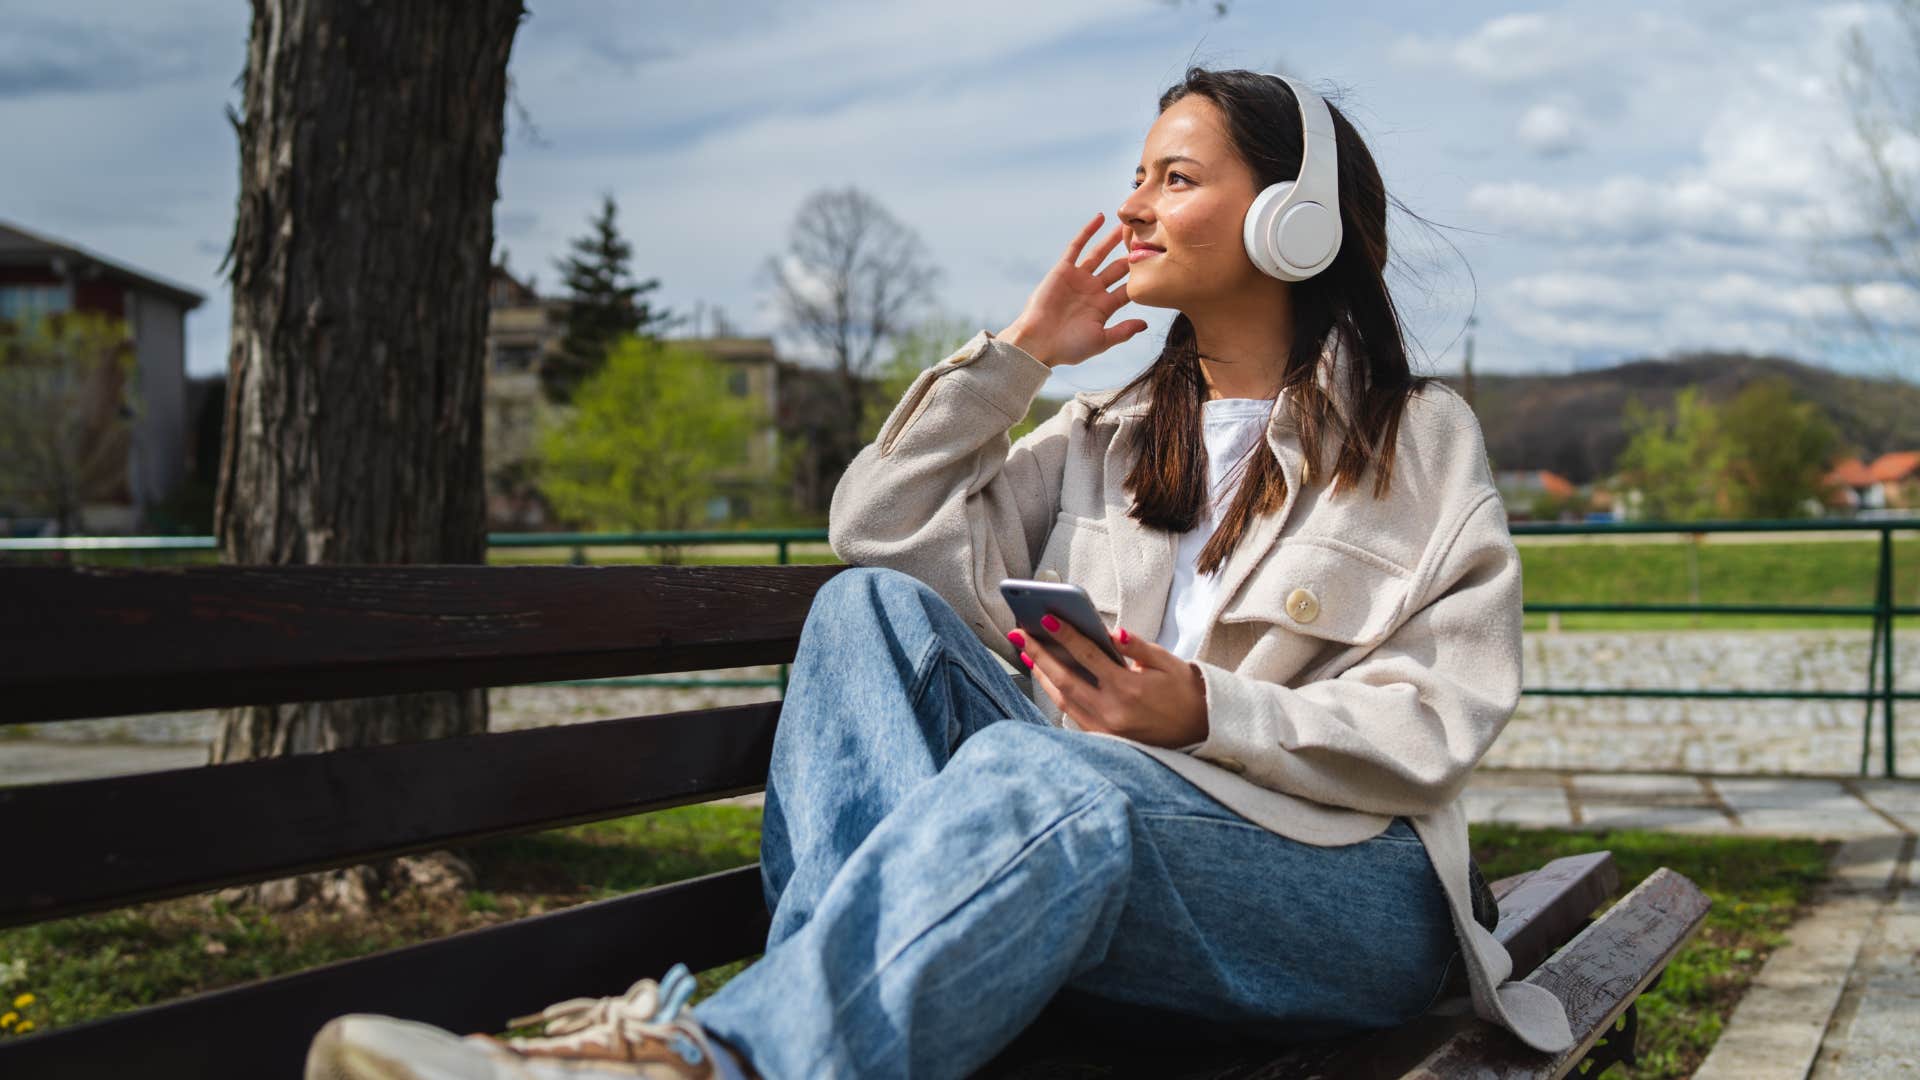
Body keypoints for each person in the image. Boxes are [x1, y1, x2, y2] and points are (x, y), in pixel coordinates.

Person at [305, 67, 1573, 1080]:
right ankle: (800, 1043)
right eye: (1134, 176)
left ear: (1289, 219)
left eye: (1174, 178)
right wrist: (1018, 356)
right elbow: (880, 528)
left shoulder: (1415, 439)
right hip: (1109, 859)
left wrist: (1204, 710)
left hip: (1335, 894)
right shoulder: (1103, 437)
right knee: (867, 613)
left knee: (1051, 769)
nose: (1131, 205)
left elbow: (1438, 719)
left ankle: (725, 1057)